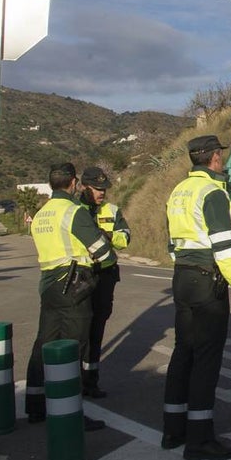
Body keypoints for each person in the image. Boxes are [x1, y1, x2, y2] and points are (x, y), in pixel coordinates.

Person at [163, 135, 231, 460]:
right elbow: (224, 246)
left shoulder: (178, 191)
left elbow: (171, 242)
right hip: (206, 280)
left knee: (183, 352)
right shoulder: (213, 192)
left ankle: (173, 430)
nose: (223, 161)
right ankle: (200, 440)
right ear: (215, 158)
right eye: (222, 156)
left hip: (182, 276)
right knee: (206, 360)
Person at [24, 161, 116, 431]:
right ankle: (71, 411)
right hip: (74, 284)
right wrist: (105, 263)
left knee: (45, 343)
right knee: (74, 347)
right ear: (74, 182)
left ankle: (35, 406)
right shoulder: (73, 211)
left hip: (48, 284)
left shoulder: (42, 214)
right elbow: (103, 252)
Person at [79, 166, 131, 398]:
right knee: (80, 331)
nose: (102, 192)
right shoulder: (75, 210)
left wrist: (109, 236)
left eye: (104, 189)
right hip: (81, 276)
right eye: (97, 188)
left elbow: (125, 237)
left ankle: (91, 381)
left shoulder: (112, 210)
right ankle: (75, 381)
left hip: (105, 276)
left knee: (97, 329)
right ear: (83, 187)